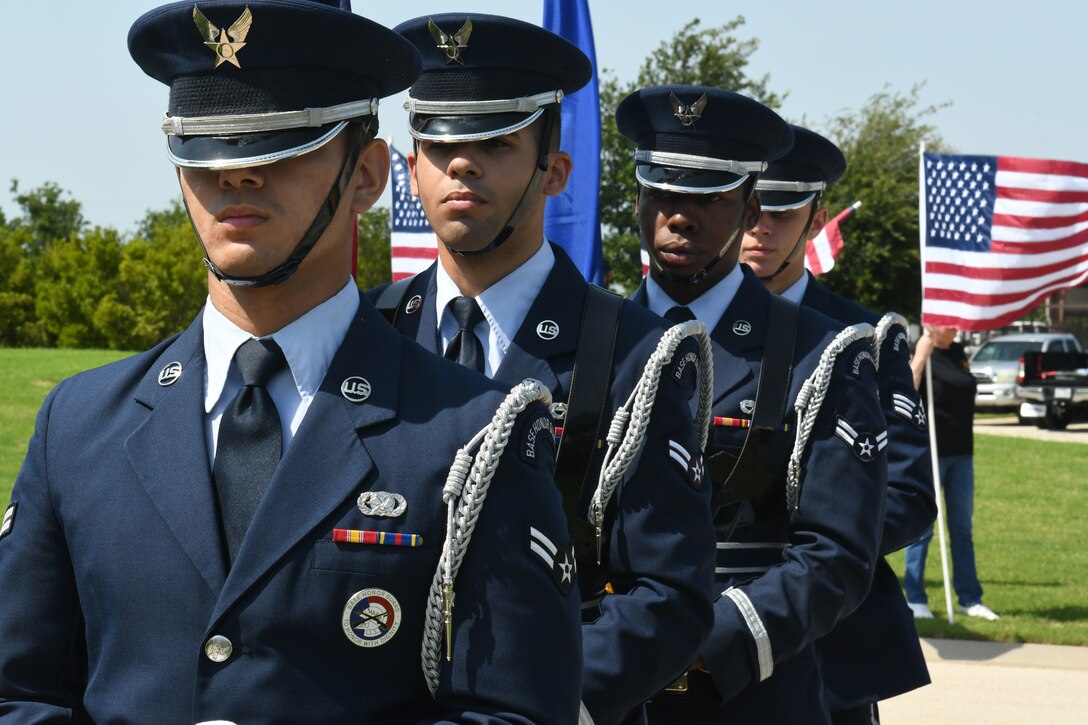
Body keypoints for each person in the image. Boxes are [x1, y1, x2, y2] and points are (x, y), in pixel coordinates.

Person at [0, 2, 583, 722]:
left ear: (367, 176)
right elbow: (17, 693)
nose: (237, 176)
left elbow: (517, 709)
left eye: (282, 147)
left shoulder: (471, 431)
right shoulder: (78, 426)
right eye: (209, 150)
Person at [372, 15, 716, 724]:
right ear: (410, 171)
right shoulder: (366, 335)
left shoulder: (632, 352)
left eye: (495, 142)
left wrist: (543, 697)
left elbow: (672, 593)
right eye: (437, 144)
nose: (460, 163)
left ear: (554, 170)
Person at [618, 85, 888, 723]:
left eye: (708, 195)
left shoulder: (822, 354)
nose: (679, 215)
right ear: (637, 199)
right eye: (662, 190)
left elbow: (838, 553)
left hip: (749, 690)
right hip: (605, 684)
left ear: (748, 203)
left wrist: (705, 642)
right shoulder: (588, 339)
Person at [738, 125, 936, 723]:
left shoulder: (867, 340)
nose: (761, 227)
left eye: (782, 210)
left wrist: (817, 547)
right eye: (748, 208)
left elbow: (909, 495)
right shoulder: (670, 328)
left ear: (817, 218)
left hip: (827, 640)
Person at [903, 326, 1000, 621]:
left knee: (961, 530)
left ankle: (969, 599)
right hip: (930, 455)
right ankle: (915, 598)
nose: (954, 328)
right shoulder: (919, 349)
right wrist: (920, 356)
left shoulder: (958, 352)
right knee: (922, 530)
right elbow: (906, 392)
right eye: (948, 323)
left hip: (962, 456)